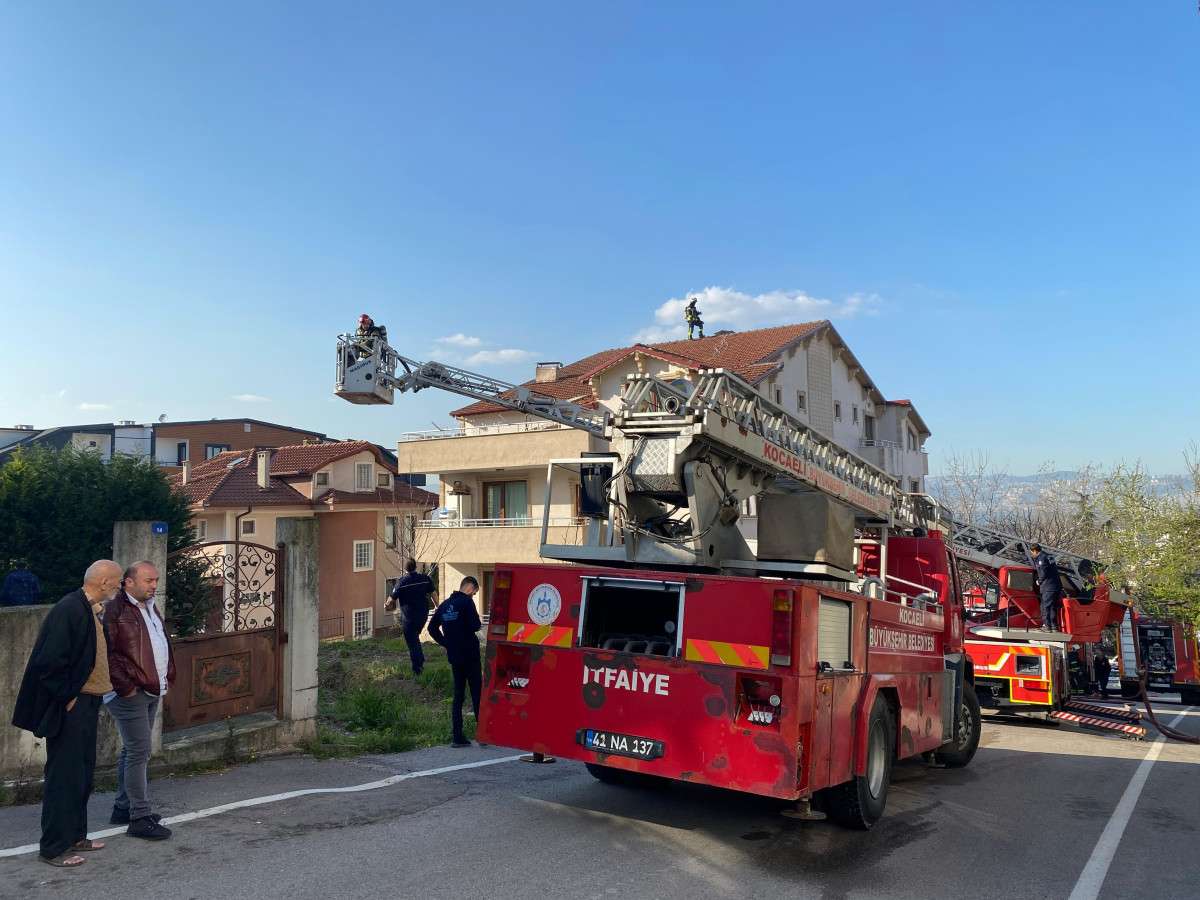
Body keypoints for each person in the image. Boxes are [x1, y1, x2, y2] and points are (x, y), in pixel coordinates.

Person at [11, 559, 122, 868]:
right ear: (103, 582)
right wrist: (67, 697)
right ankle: (53, 848)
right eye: (116, 581)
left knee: (82, 773)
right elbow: (48, 662)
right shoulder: (69, 609)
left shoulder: (89, 609)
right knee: (64, 776)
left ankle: (75, 836)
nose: (118, 586)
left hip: (88, 703)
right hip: (72, 705)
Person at [103, 561, 175, 840]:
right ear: (128, 582)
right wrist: (126, 687)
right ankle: (140, 817)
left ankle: (123, 807)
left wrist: (165, 676)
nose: (154, 585)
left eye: (156, 580)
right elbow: (108, 653)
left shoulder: (149, 605)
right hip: (131, 692)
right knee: (139, 751)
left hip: (151, 688)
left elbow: (157, 642)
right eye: (148, 580)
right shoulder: (115, 609)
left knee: (132, 750)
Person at [427, 576, 482, 748]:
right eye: (474, 592)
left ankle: (457, 736)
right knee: (477, 693)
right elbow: (475, 625)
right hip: (470, 655)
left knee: (458, 695)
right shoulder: (466, 602)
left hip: (455, 656)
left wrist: (446, 643)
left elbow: (431, 628)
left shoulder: (444, 605)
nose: (473, 595)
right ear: (470, 588)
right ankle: (483, 734)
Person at [388, 559, 435, 676]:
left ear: (405, 569)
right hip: (423, 616)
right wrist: (439, 607)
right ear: (415, 567)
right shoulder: (425, 578)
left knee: (412, 642)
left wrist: (386, 605)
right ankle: (420, 660)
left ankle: (418, 668)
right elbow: (433, 593)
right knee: (415, 638)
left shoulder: (402, 582)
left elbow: (391, 599)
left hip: (409, 618)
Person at [1027, 543, 1063, 632]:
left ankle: (1047, 626)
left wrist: (1039, 581)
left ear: (1035, 551)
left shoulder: (1041, 558)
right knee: (1052, 607)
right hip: (1056, 586)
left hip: (1048, 587)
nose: (1031, 554)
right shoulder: (1048, 556)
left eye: (1032, 552)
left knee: (1045, 607)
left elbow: (1043, 572)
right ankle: (1054, 626)